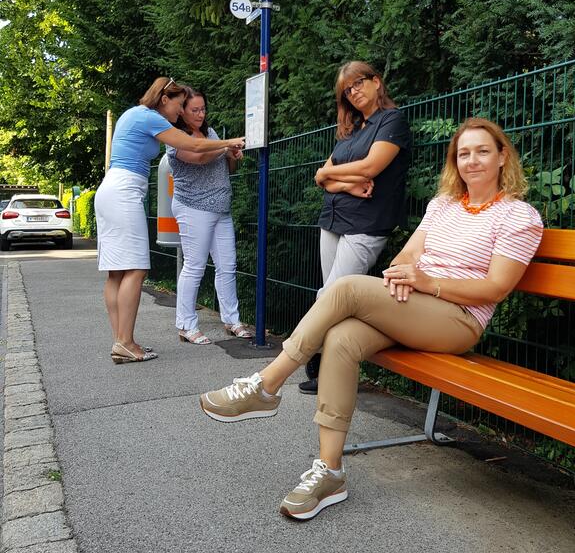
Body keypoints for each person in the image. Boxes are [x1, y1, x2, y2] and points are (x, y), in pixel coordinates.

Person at [198, 117, 543, 520]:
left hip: (458, 320)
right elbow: (406, 257)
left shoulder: (519, 216)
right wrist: (400, 277)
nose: (473, 161)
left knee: (345, 288)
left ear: (502, 157)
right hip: (414, 306)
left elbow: (496, 288)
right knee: (342, 339)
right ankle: (330, 472)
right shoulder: (443, 206)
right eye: (464, 153)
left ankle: (266, 384)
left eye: (483, 151)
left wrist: (426, 283)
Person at [94, 77, 244, 364]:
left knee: (116, 272)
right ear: (164, 99)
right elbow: (193, 146)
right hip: (124, 192)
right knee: (136, 270)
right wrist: (229, 143)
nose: (179, 112)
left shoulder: (133, 114)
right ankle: (125, 342)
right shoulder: (149, 117)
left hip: (110, 189)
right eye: (179, 105)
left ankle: (121, 341)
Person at [300, 61, 411, 394]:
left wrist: (331, 175)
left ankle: (318, 356)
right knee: (331, 295)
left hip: (367, 223)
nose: (353, 92)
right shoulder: (353, 131)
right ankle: (331, 368)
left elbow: (372, 167)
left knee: (331, 295)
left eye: (358, 83)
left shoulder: (392, 122)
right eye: (347, 90)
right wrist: (344, 183)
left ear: (377, 82)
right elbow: (324, 177)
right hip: (334, 217)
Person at [166, 87, 251, 345]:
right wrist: (226, 145)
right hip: (194, 208)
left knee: (227, 266)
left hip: (221, 209)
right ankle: (186, 325)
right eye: (195, 110)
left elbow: (228, 165)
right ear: (182, 111)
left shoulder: (211, 133)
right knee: (194, 267)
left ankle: (232, 320)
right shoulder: (176, 137)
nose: (201, 114)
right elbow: (198, 156)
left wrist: (233, 155)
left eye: (203, 109)